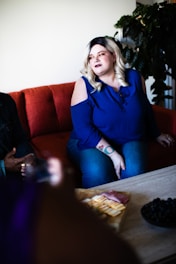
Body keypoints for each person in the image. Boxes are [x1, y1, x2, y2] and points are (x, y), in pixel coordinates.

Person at [67, 36, 175, 188]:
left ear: (114, 55)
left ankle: (133, 210)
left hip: (130, 137)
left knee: (135, 172)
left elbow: (145, 109)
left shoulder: (135, 77)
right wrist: (113, 154)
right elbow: (83, 129)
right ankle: (95, 211)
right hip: (91, 141)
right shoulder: (83, 84)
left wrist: (156, 133)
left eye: (101, 54)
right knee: (98, 172)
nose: (95, 60)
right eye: (91, 57)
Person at [1, 157, 141, 264]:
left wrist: (29, 158)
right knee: (97, 168)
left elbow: (22, 140)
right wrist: (64, 199)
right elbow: (120, 256)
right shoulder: (23, 206)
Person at [0, 92, 36, 179]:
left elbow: (20, 138)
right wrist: (3, 166)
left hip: (15, 163)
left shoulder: (6, 101)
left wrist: (28, 158)